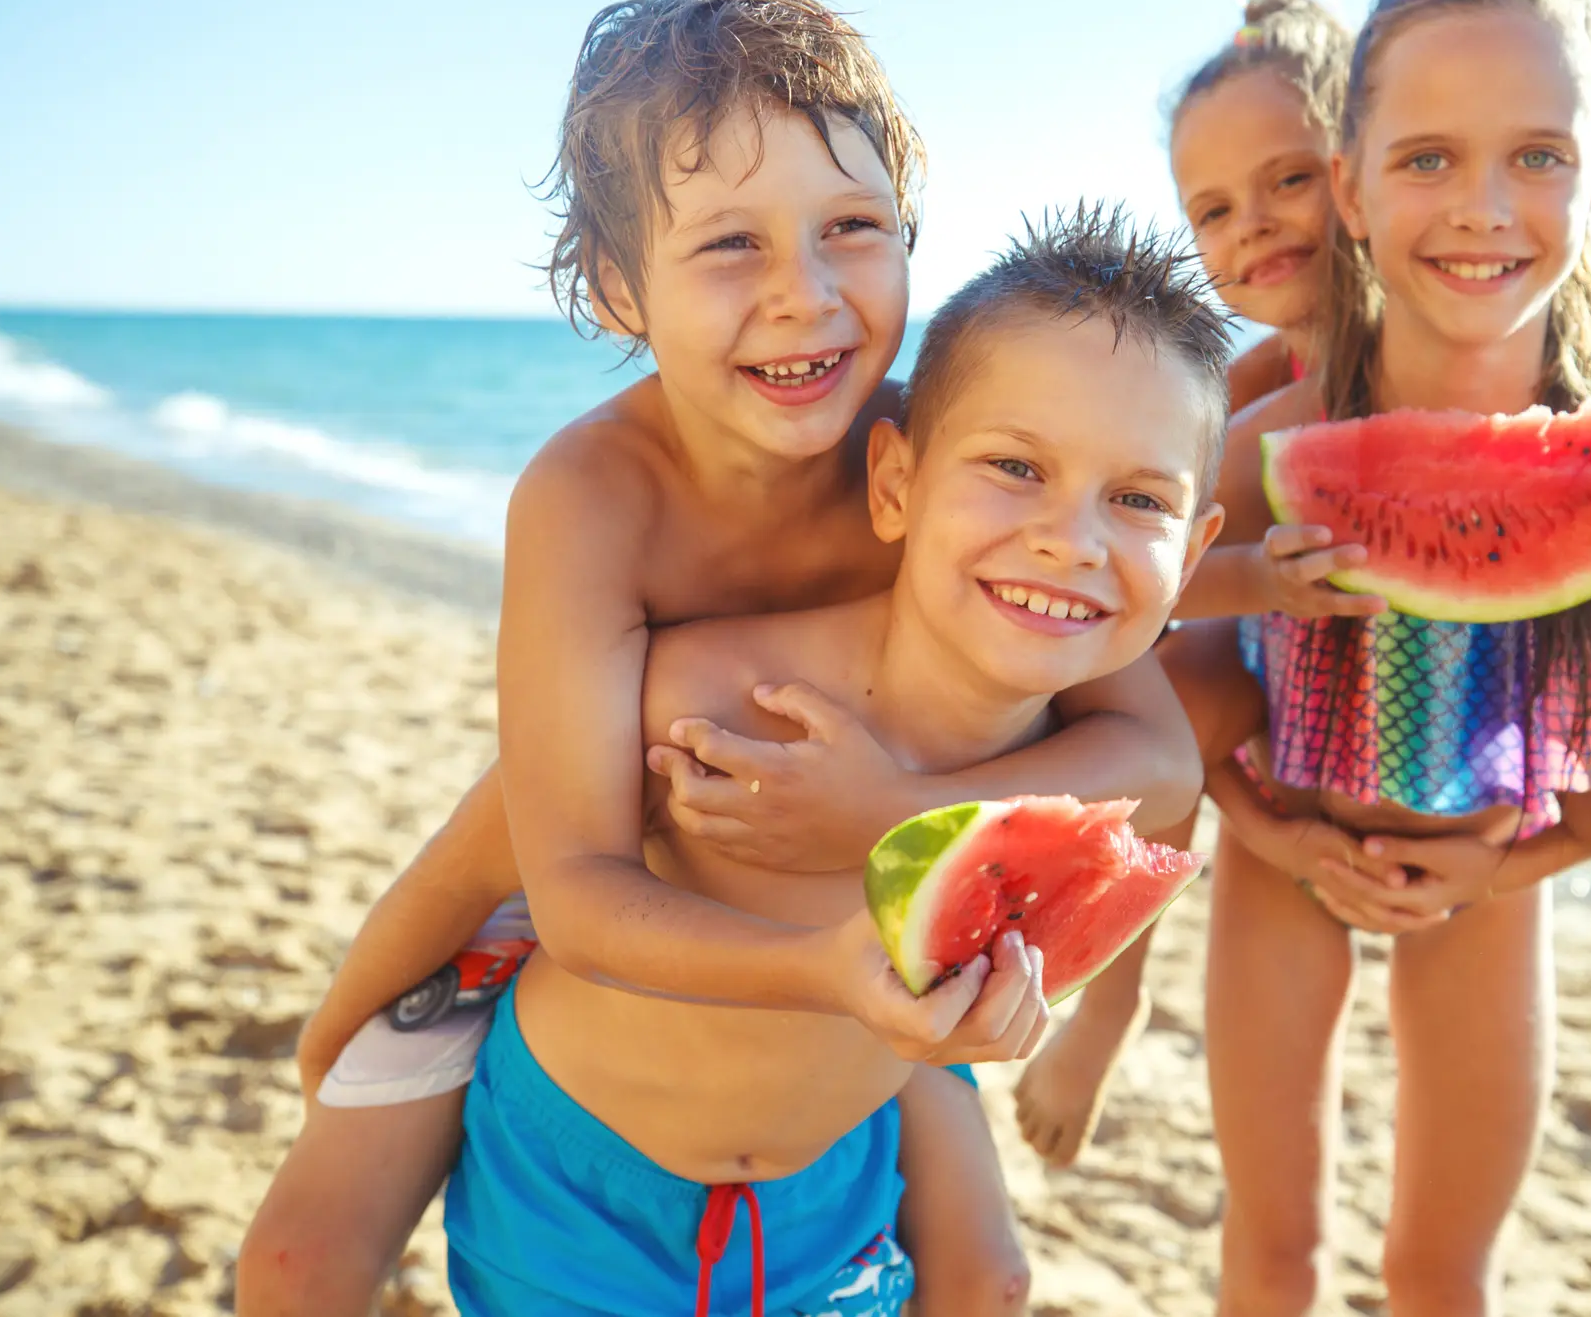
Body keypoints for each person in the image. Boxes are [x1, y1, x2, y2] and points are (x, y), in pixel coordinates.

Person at [237, 0, 1202, 1316]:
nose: (804, 296)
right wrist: (357, 1004)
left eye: (852, 228)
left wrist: (886, 817)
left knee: (988, 1274)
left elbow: (1153, 754)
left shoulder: (965, 471)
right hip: (582, 891)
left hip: (858, 948)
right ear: (619, 286)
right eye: (730, 245)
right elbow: (536, 855)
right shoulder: (596, 497)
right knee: (295, 1252)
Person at [1174, 0, 1591, 1312]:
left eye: (1537, 155)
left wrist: (1516, 862)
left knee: (1440, 1269)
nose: (1482, 208)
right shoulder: (1293, 427)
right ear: (1349, 188)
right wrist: (1270, 806)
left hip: (1492, 858)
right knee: (1273, 1250)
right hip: (1288, 842)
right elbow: (1148, 603)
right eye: (1426, 158)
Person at [449, 201, 1229, 1313]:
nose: (1074, 538)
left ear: (1193, 551)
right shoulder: (723, 709)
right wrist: (350, 1043)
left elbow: (1165, 790)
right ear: (895, 484)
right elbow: (516, 868)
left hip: (835, 1169)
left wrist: (904, 833)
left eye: (1138, 499)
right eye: (1014, 467)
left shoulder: (1088, 746)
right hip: (585, 1178)